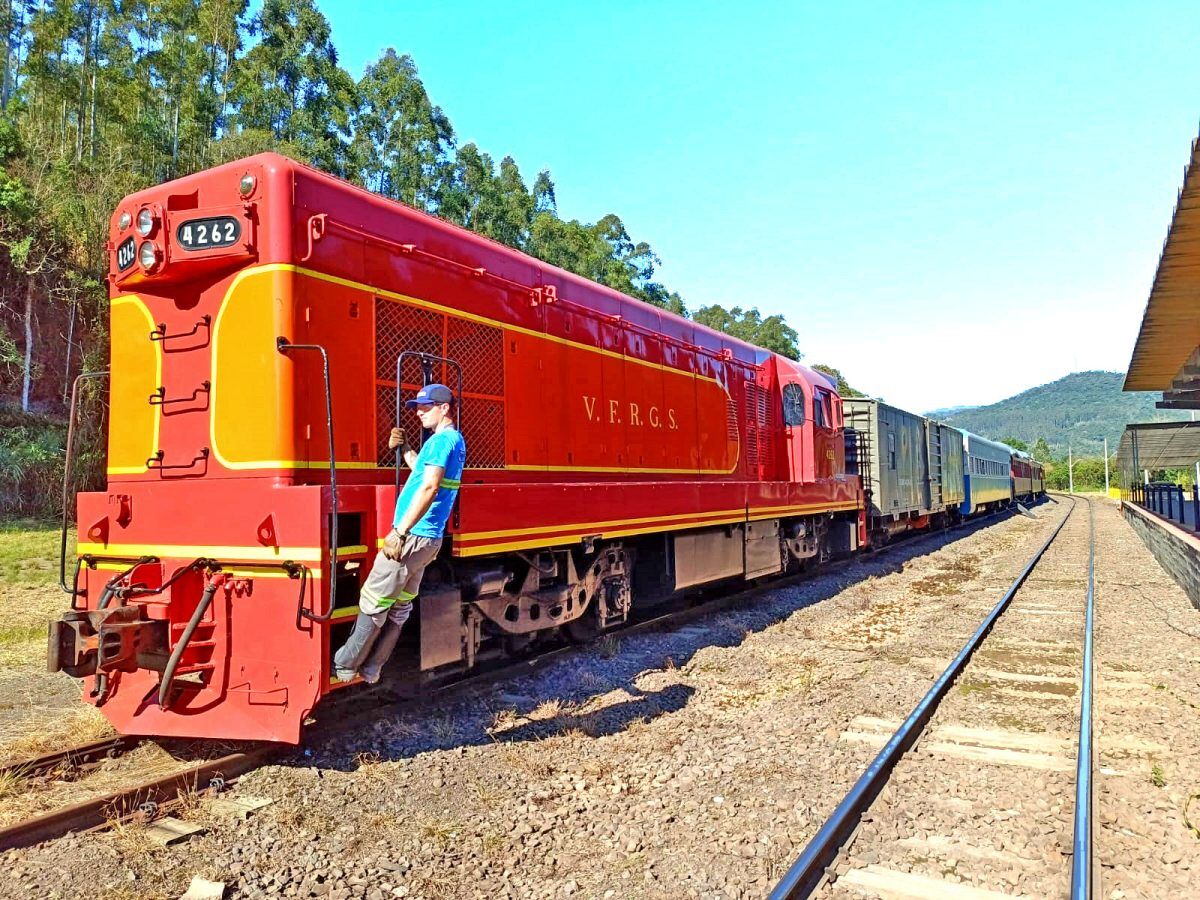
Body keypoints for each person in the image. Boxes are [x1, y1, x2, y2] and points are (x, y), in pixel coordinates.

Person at [333, 383, 466, 683]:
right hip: (429, 538)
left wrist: (400, 531)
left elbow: (430, 486)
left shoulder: (440, 442)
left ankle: (344, 663)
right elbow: (424, 472)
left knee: (374, 598)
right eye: (417, 407)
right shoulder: (454, 441)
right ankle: (373, 667)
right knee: (402, 602)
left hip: (413, 535)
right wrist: (405, 449)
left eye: (426, 407)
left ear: (444, 408)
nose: (419, 412)